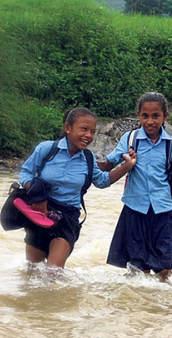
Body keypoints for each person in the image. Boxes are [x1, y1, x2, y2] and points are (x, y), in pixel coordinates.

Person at [18, 107, 136, 270]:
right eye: (84, 129)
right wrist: (38, 195)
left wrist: (127, 166)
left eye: (93, 132)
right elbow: (25, 173)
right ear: (68, 128)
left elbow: (102, 181)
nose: (89, 136)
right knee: (32, 272)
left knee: (53, 274)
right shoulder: (47, 150)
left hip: (67, 219)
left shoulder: (88, 158)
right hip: (39, 213)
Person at [98, 92, 172, 281]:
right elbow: (107, 165)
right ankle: (141, 306)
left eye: (156, 116)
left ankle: (159, 304)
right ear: (139, 116)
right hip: (135, 210)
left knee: (165, 269)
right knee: (139, 269)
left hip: (163, 211)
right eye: (145, 116)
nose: (150, 121)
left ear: (165, 116)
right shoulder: (130, 139)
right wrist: (81, 157)